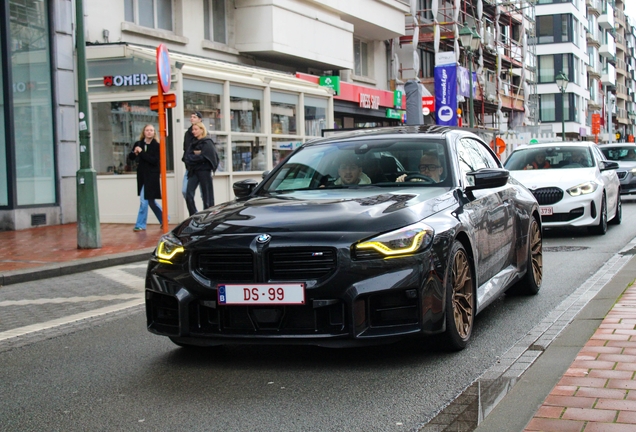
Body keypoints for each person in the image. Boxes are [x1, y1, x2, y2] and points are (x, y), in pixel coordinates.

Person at [129, 124, 163, 232]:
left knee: (144, 200)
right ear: (144, 132)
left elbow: (153, 160)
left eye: (151, 130)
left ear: (154, 133)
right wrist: (135, 152)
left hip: (152, 176)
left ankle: (140, 224)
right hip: (142, 175)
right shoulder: (138, 144)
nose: (149, 132)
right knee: (151, 201)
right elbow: (130, 157)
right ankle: (164, 219)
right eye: (147, 130)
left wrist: (142, 152)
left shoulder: (157, 145)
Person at [184, 122, 219, 216]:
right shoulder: (192, 143)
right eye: (193, 129)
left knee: (207, 197)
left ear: (201, 130)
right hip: (193, 171)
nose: (193, 131)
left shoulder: (207, 142)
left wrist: (197, 156)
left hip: (204, 171)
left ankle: (208, 216)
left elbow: (207, 157)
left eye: (196, 129)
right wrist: (197, 156)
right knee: (188, 194)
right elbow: (186, 157)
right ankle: (194, 215)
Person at [182, 111, 201, 199]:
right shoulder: (187, 134)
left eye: (194, 117)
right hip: (190, 168)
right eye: (191, 117)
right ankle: (193, 212)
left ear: (199, 119)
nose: (192, 118)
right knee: (185, 191)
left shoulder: (204, 135)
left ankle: (207, 212)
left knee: (205, 194)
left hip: (202, 168)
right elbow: (186, 149)